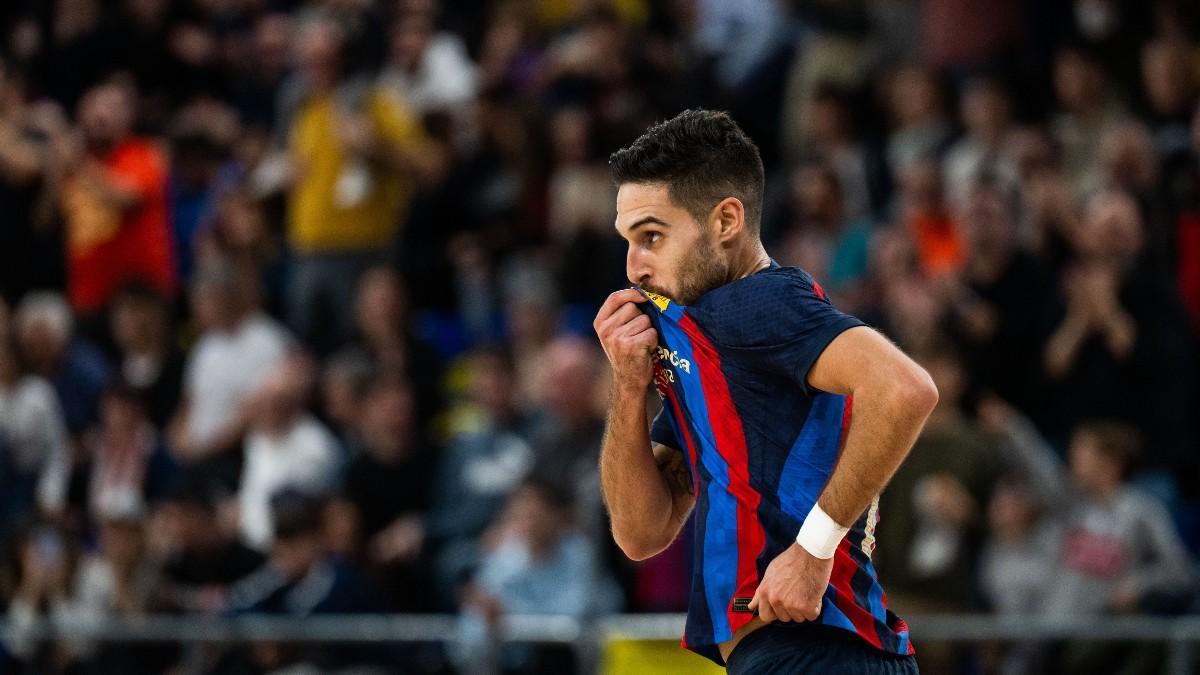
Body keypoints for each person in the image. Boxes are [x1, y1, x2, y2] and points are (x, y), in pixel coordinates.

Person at [596, 109, 937, 672]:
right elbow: (642, 532)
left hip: (819, 650)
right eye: (628, 241)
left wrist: (812, 551)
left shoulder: (758, 305)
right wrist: (629, 387)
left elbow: (906, 388)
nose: (634, 267)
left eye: (652, 236)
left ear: (726, 220)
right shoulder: (700, 335)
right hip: (792, 654)